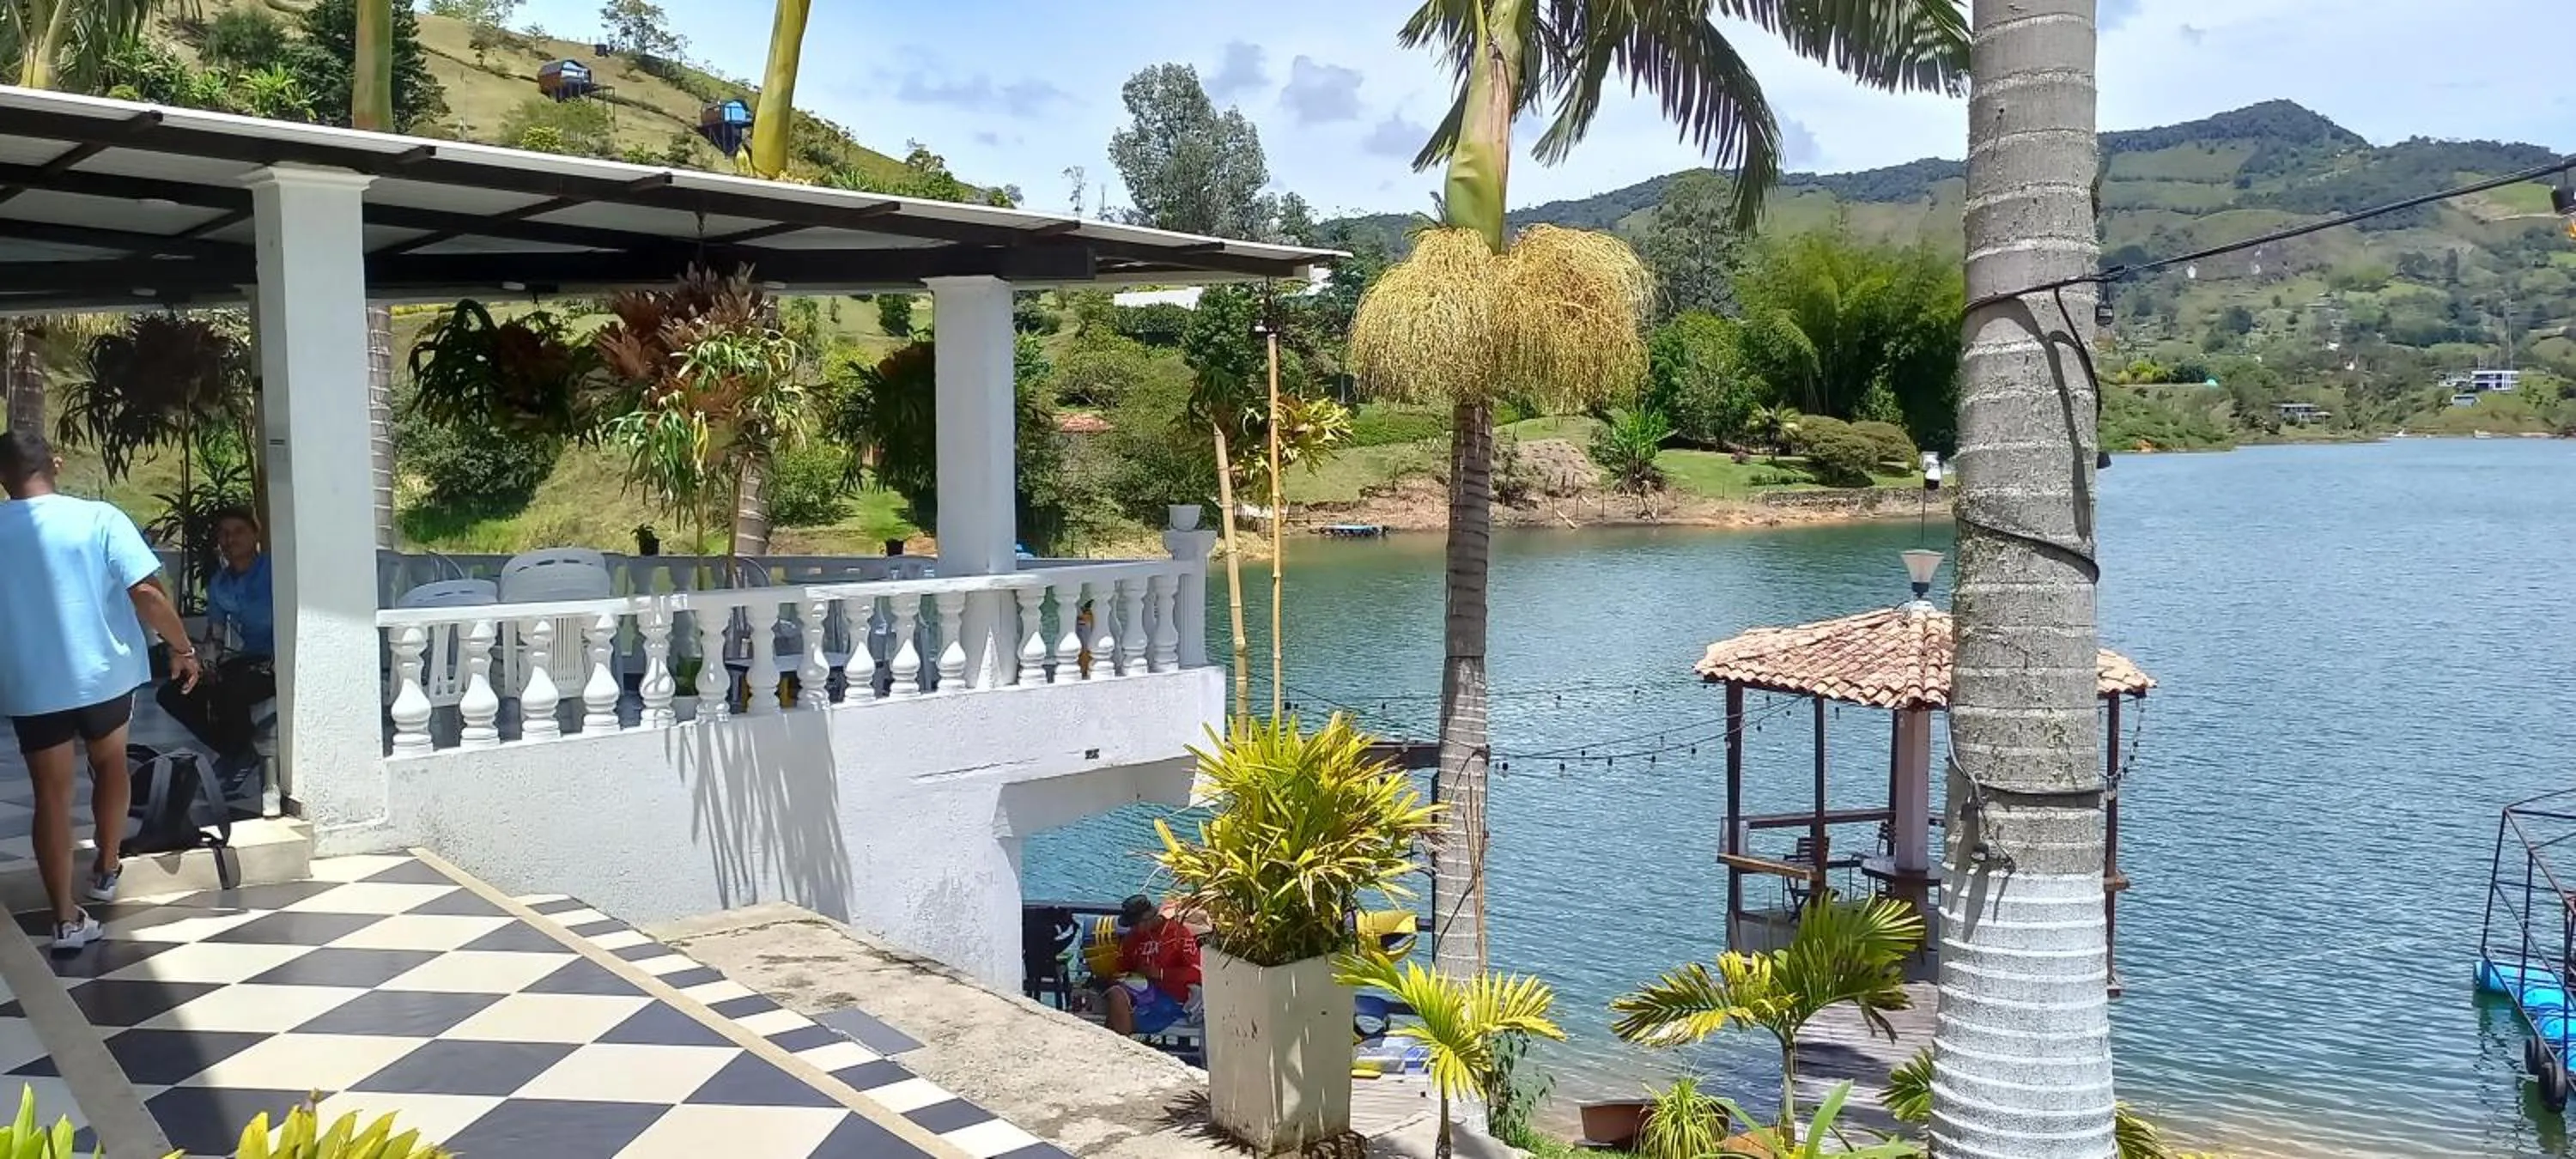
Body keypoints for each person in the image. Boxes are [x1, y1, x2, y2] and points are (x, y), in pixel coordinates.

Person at [0, 433, 199, 950]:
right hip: (103, 676)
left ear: (2, 477)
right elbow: (147, 591)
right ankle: (107, 867)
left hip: (31, 683)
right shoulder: (99, 518)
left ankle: (65, 920)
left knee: (50, 794)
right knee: (110, 765)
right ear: (57, 465)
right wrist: (183, 647)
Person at [154, 507, 274, 793]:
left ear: (256, 534)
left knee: (231, 688)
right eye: (224, 533)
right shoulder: (220, 583)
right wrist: (206, 665)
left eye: (239, 532)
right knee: (173, 692)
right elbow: (216, 635)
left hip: (280, 659)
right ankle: (237, 751)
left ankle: (237, 753)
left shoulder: (274, 568)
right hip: (250, 658)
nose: (230, 540)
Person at [1105, 893, 1200, 1037]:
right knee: (1116, 994)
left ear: (1148, 918)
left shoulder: (1177, 934)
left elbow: (1197, 972)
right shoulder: (1132, 938)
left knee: (1116, 1018)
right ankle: (1121, 1046)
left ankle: (1119, 1047)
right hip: (1140, 991)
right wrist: (1121, 976)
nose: (1134, 929)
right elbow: (1122, 968)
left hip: (1171, 997)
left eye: (1136, 924)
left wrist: (1161, 973)